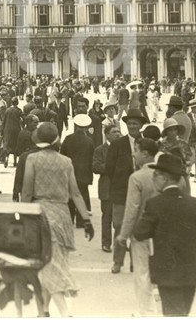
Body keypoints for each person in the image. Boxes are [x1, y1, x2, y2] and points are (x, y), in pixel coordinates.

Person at [21, 122, 94, 317]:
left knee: (48, 266)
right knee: (54, 264)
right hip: (62, 217)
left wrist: (21, 215)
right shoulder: (66, 161)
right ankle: (43, 311)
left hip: (40, 215)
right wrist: (86, 220)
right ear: (56, 140)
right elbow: (76, 194)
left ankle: (64, 313)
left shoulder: (32, 160)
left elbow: (27, 191)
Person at [133, 153, 196, 316]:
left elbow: (140, 232)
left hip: (168, 270)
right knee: (183, 312)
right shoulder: (195, 203)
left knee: (173, 313)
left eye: (156, 175)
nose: (153, 179)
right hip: (191, 270)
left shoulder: (155, 204)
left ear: (165, 178)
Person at [116, 137, 188, 316]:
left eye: (136, 150)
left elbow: (131, 210)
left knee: (142, 272)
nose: (134, 154)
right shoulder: (173, 177)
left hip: (142, 233)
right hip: (167, 233)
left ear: (145, 154)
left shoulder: (137, 177)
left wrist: (123, 235)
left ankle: (145, 312)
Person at [105, 108, 145, 274]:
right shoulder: (117, 144)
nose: (132, 127)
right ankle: (117, 261)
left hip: (142, 194)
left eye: (135, 124)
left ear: (141, 125)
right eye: (129, 124)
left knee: (139, 229)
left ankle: (135, 262)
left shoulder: (147, 143)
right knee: (120, 227)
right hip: (121, 193)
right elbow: (109, 168)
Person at [60, 114, 95, 228]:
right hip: (84, 173)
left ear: (75, 125)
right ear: (86, 127)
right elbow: (92, 158)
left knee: (70, 196)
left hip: (69, 172)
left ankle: (70, 219)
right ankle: (80, 221)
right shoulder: (89, 141)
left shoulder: (68, 138)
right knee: (82, 196)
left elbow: (62, 155)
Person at [92, 124, 121, 253]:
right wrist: (112, 165)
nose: (117, 134)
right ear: (107, 134)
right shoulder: (100, 150)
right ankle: (106, 243)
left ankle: (119, 243)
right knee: (107, 217)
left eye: (118, 132)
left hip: (121, 188)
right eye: (114, 132)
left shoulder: (124, 148)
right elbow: (96, 167)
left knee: (120, 218)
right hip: (107, 188)